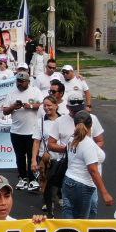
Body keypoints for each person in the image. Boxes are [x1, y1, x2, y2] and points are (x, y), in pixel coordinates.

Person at [61, 111, 113, 219]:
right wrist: (105, 193)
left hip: (68, 180)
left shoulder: (72, 138)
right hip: (83, 185)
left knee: (69, 214)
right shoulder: (88, 143)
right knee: (81, 221)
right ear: (91, 125)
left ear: (75, 124)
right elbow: (93, 170)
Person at [31, 88, 71, 216]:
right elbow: (36, 142)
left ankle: (59, 199)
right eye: (44, 106)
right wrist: (33, 160)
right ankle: (49, 205)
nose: (47, 108)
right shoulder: (40, 122)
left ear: (56, 106)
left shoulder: (64, 120)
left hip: (62, 158)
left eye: (49, 105)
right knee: (47, 183)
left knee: (62, 182)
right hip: (47, 158)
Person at [2, 71, 42, 192]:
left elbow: (40, 105)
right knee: (19, 156)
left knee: (32, 156)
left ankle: (33, 179)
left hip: (32, 131)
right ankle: (23, 178)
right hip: (16, 131)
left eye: (22, 82)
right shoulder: (11, 93)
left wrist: (27, 106)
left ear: (28, 82)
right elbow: (5, 111)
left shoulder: (35, 91)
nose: (19, 84)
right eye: (18, 81)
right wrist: (14, 106)